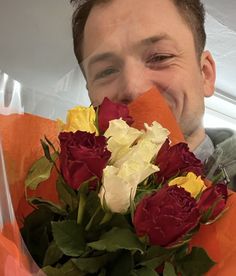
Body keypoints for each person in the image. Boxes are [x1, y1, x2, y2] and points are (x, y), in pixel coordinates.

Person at [69, 0, 236, 189]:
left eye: (160, 57)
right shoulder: (52, 199)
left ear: (205, 74)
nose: (133, 89)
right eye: (106, 71)